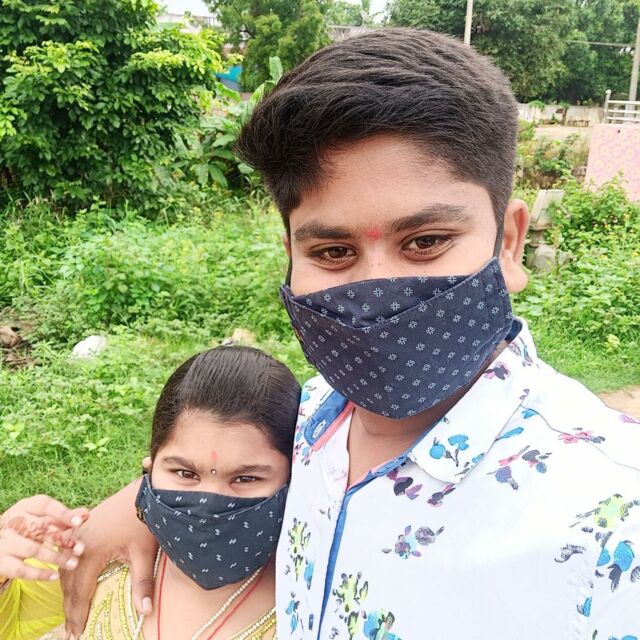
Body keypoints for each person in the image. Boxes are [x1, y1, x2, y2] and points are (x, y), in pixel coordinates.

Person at [50, 27, 640, 640]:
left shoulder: (615, 523)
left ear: (509, 243)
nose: (378, 289)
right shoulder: (309, 422)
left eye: (426, 241)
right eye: (333, 251)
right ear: (291, 256)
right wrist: (136, 508)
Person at [0, 346, 301, 639]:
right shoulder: (98, 557)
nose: (208, 503)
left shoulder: (309, 600)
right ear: (151, 468)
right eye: (185, 473)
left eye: (246, 478)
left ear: (296, 478)